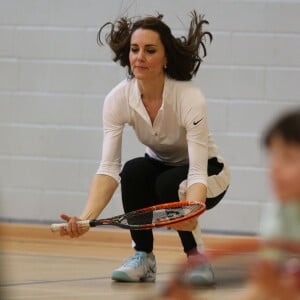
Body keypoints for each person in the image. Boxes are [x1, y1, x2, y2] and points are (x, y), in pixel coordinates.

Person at [58, 11, 230, 286]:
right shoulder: (118, 99)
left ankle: (198, 258)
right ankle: (143, 257)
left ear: (165, 59)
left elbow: (196, 172)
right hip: (162, 166)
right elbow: (108, 169)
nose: (140, 57)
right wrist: (85, 219)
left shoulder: (189, 97)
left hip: (208, 172)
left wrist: (193, 211)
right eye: (135, 50)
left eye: (150, 50)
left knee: (169, 184)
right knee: (134, 171)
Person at [238, 109, 300, 300]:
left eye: (288, 157)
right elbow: (262, 287)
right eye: (272, 155)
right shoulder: (280, 206)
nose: (274, 167)